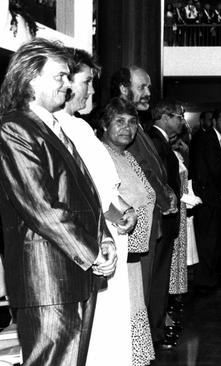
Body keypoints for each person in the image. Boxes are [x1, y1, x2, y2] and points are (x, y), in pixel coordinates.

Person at [0, 38, 117, 366]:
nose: (68, 85)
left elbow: (85, 196)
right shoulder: (15, 128)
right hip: (46, 278)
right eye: (60, 77)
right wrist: (92, 251)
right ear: (31, 79)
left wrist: (104, 238)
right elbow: (41, 206)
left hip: (70, 274)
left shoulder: (53, 127)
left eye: (69, 77)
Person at [54, 48, 135, 366]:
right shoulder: (59, 127)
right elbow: (85, 194)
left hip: (111, 235)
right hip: (93, 238)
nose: (91, 90)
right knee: (93, 329)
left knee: (109, 323)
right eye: (87, 81)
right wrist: (118, 214)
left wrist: (124, 208)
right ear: (66, 82)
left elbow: (107, 185)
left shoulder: (81, 126)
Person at [110, 66, 178, 349]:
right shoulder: (121, 127)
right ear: (124, 89)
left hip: (151, 221)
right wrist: (165, 199)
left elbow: (153, 170)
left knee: (148, 289)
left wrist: (167, 194)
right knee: (138, 292)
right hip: (133, 223)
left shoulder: (138, 126)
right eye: (142, 87)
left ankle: (147, 340)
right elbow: (143, 172)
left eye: (149, 87)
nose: (148, 93)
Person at [99, 97, 156, 366]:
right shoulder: (100, 154)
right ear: (104, 124)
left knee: (134, 305)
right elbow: (102, 197)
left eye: (132, 122)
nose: (127, 128)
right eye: (119, 121)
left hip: (135, 249)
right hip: (115, 246)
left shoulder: (129, 156)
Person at [146, 98, 185, 349]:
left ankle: (158, 325)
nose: (181, 121)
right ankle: (155, 330)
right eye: (178, 116)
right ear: (163, 117)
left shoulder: (160, 140)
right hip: (161, 219)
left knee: (160, 278)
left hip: (165, 219)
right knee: (157, 278)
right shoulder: (154, 140)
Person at [189, 106, 221, 292]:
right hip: (208, 200)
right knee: (207, 242)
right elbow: (205, 172)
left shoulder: (218, 140)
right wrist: (220, 192)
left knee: (215, 242)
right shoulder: (205, 138)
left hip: (216, 199)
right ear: (214, 121)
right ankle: (206, 281)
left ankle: (213, 278)